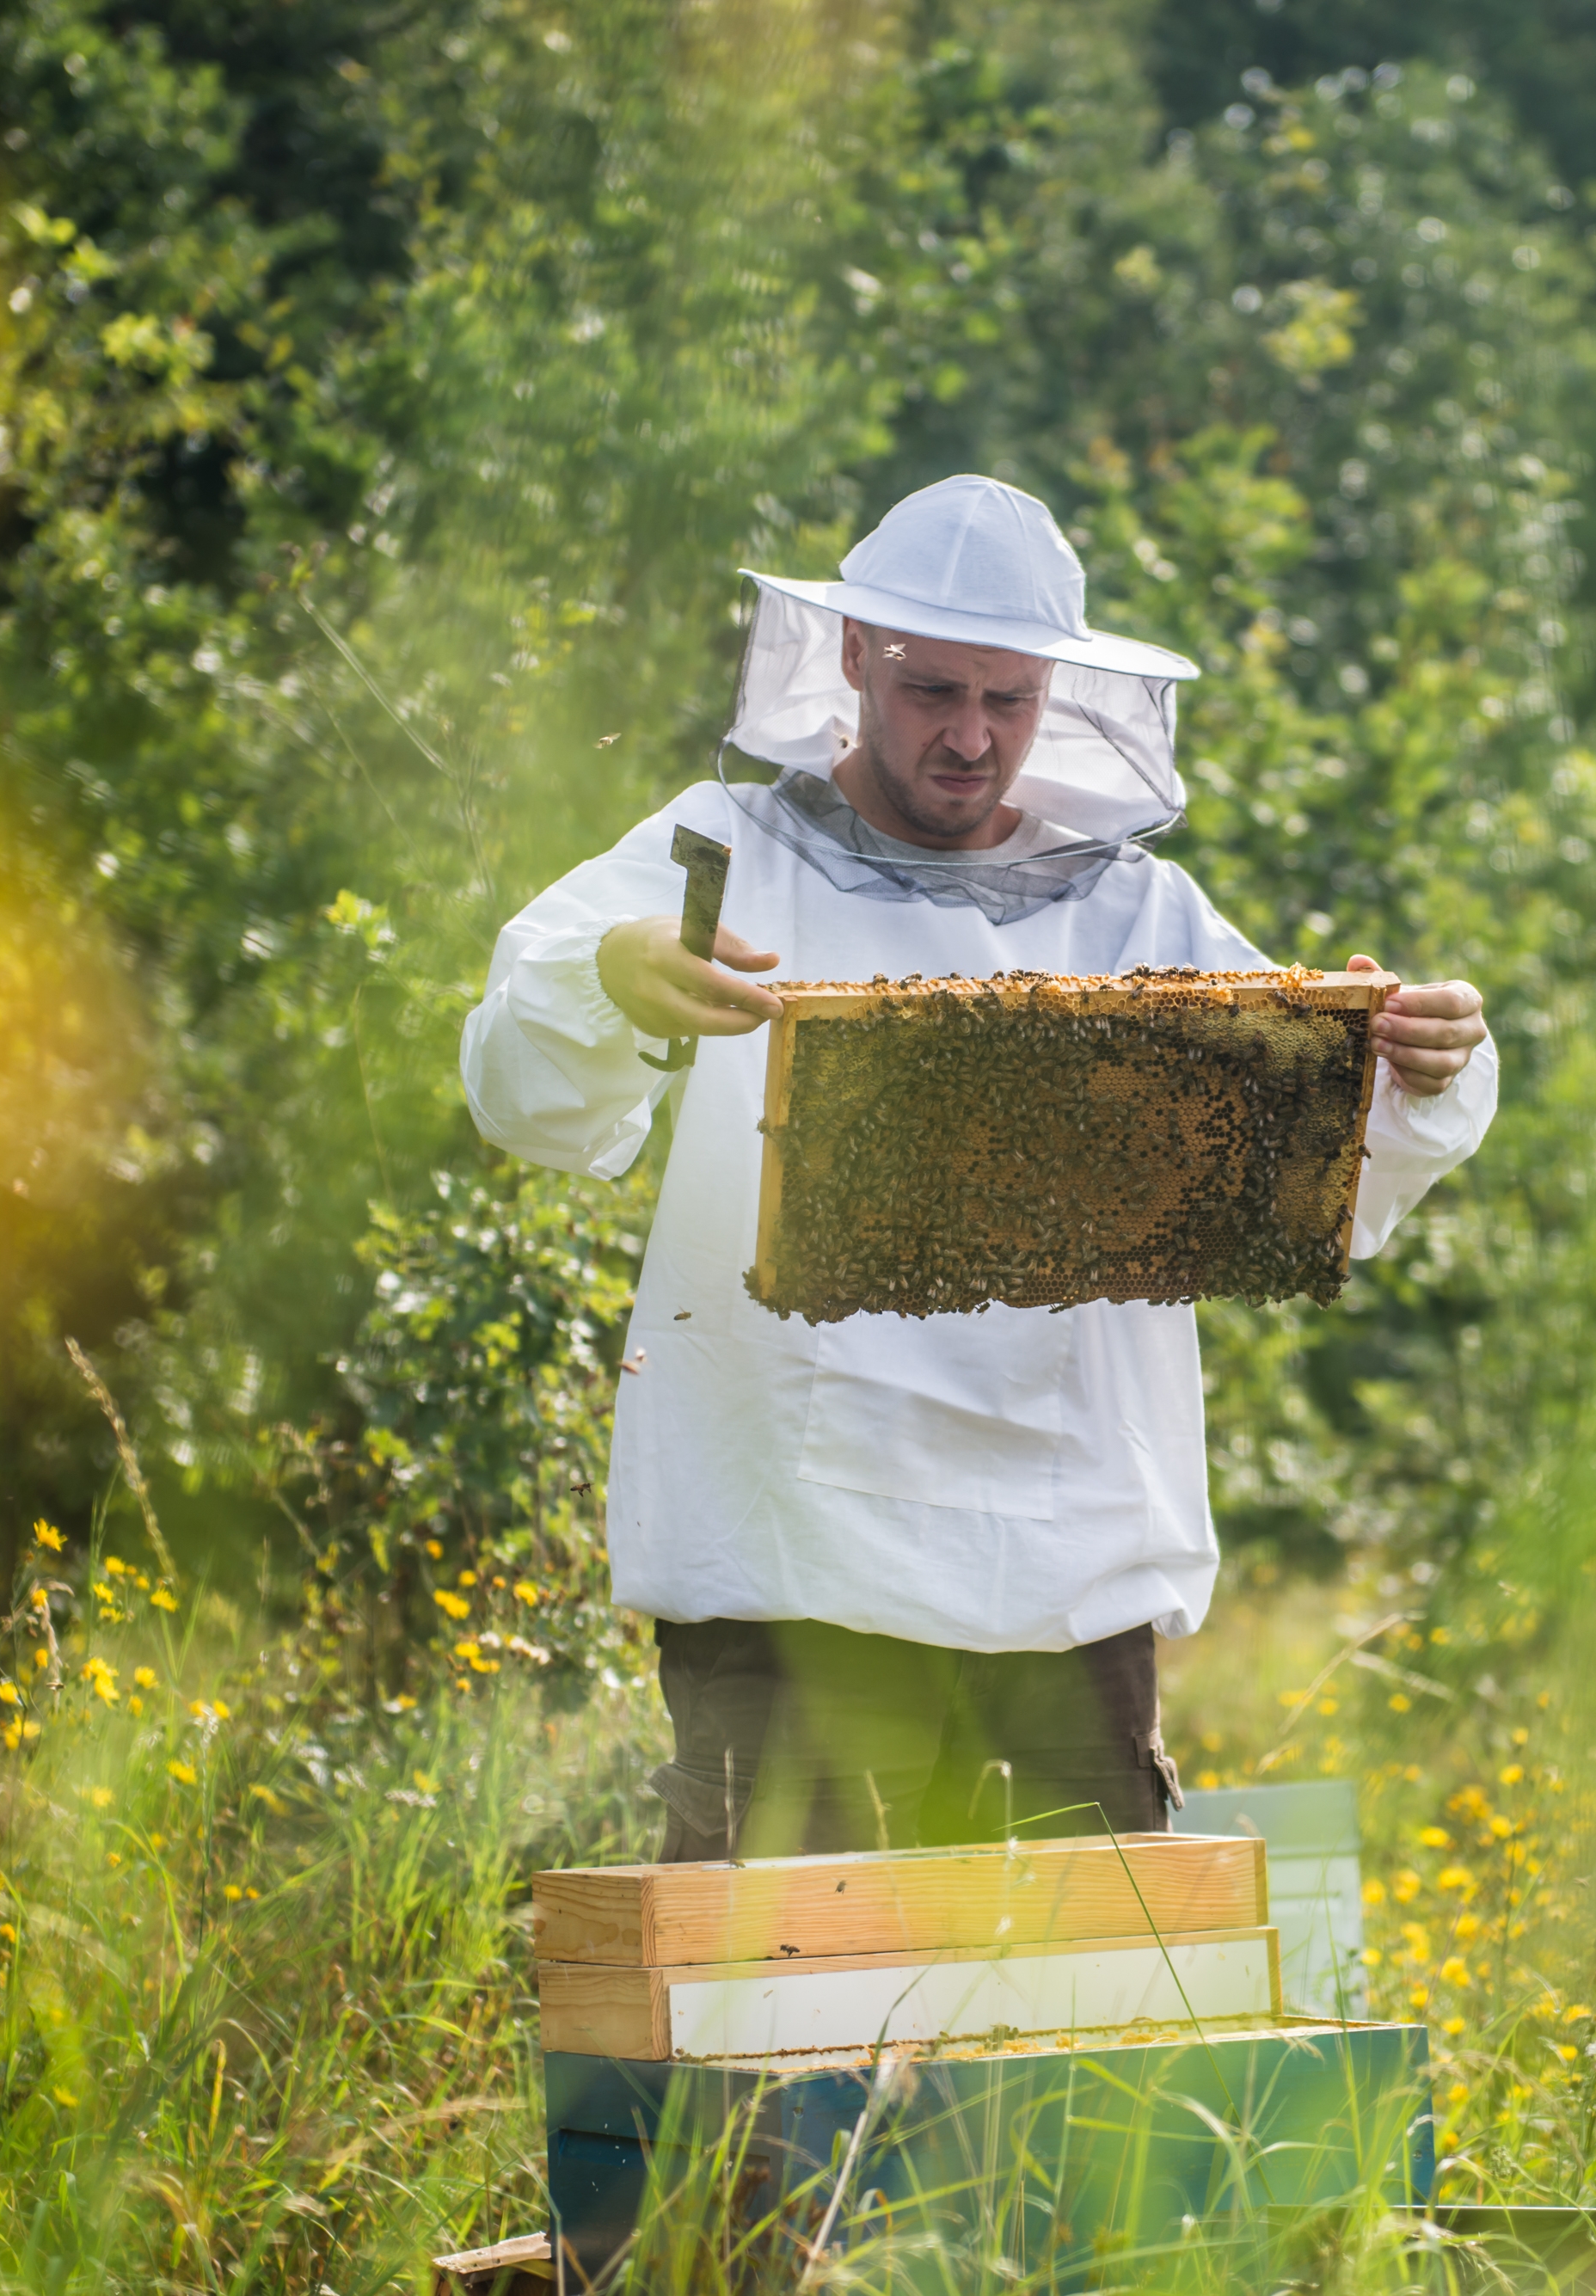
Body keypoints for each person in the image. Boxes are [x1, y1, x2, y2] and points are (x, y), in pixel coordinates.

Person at [461, 475, 1496, 1862]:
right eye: (931, 689)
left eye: (1008, 700)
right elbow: (519, 1083)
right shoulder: (723, 854)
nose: (968, 736)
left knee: (1080, 2048)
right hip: (792, 1578)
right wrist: (608, 974)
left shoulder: (1137, 905)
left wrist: (1421, 1063)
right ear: (850, 658)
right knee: (781, 2040)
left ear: (1056, 689)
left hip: (1068, 1587)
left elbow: (1333, 1176)